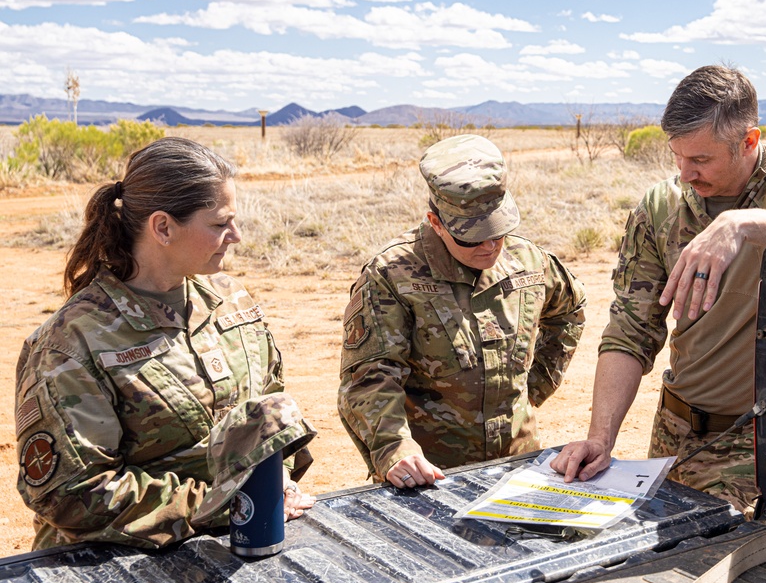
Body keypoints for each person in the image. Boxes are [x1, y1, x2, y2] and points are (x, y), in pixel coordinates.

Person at [552, 65, 766, 515]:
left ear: (749, 141)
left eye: (700, 160)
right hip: (674, 431)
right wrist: (600, 437)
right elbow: (630, 330)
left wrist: (740, 224)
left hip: (757, 439)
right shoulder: (662, 208)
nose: (685, 174)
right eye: (677, 157)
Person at [14, 137, 316, 550]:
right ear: (163, 227)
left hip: (233, 542)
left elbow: (263, 409)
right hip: (109, 569)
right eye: (219, 224)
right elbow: (70, 494)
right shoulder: (72, 342)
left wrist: (271, 473)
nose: (236, 236)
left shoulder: (231, 300)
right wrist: (223, 503)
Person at [339, 134, 587, 488]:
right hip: (430, 478)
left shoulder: (529, 262)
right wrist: (394, 448)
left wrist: (532, 391)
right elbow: (368, 379)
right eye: (471, 237)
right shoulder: (392, 276)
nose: (489, 247)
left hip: (519, 467)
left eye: (498, 231)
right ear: (436, 222)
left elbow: (570, 310)